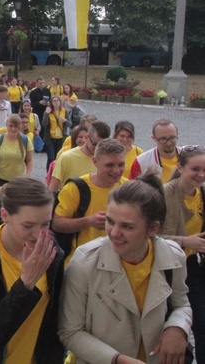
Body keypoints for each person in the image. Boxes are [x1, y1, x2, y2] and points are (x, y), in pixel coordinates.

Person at [59, 174, 192, 364]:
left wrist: (177, 328)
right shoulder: (84, 262)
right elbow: (69, 331)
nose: (114, 233)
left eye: (127, 227)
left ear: (153, 229)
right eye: (110, 221)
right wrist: (116, 360)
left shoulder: (173, 257)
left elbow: (181, 304)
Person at [0, 176, 65, 362]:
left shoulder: (51, 251)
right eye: (28, 225)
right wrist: (26, 284)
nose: (38, 234)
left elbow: (54, 322)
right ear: (5, 215)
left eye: (46, 224)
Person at [53, 139, 128, 264]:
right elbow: (57, 224)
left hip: (118, 262)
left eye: (121, 165)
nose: (116, 171)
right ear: (95, 161)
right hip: (82, 263)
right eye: (109, 165)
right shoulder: (76, 188)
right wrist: (89, 221)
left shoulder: (127, 188)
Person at [162, 145, 205, 359]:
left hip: (192, 265)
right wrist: (186, 241)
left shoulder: (202, 192)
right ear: (180, 167)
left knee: (201, 320)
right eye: (195, 169)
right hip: (167, 269)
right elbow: (149, 237)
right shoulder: (164, 194)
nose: (201, 175)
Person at [49, 121, 111, 192]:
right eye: (95, 144)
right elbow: (53, 190)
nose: (98, 148)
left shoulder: (106, 160)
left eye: (102, 145)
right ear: (87, 137)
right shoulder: (67, 157)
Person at [0, 113, 34, 202]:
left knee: (15, 206)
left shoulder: (26, 140)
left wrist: (28, 176)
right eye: (10, 126)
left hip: (18, 180)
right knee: (1, 206)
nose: (13, 129)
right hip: (0, 178)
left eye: (16, 126)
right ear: (6, 126)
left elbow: (29, 160)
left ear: (20, 127)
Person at [41, 95, 69, 169]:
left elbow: (70, 124)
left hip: (60, 138)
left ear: (60, 102)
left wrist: (65, 121)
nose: (56, 102)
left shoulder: (64, 111)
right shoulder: (48, 111)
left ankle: (55, 173)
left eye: (57, 101)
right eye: (54, 101)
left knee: (58, 157)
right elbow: (44, 124)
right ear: (51, 102)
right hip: (50, 138)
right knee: (51, 157)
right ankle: (49, 174)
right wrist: (46, 113)